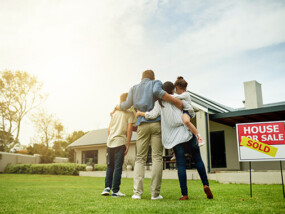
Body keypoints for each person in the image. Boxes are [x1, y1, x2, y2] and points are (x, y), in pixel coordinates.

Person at [136, 81, 213, 200]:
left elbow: (151, 115)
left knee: (181, 165)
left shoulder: (159, 103)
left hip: (175, 139)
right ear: (173, 90)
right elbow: (189, 108)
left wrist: (140, 113)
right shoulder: (177, 98)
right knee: (198, 159)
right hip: (186, 133)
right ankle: (206, 184)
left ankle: (184, 194)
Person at [115, 70, 182, 200]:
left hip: (142, 125)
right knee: (157, 157)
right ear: (153, 77)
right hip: (156, 124)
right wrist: (175, 101)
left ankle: (137, 193)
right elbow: (158, 92)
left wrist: (117, 106)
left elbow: (126, 105)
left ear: (141, 78)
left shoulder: (134, 88)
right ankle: (155, 194)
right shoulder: (156, 83)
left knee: (140, 158)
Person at [101, 93, 135, 197]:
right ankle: (115, 191)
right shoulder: (130, 113)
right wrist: (128, 144)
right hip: (120, 142)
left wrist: (111, 138)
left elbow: (108, 130)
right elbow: (129, 129)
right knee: (117, 167)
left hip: (110, 142)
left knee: (110, 166)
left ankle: (107, 188)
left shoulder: (114, 113)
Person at [174, 76, 205, 147]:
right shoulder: (182, 93)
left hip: (187, 112)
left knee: (186, 121)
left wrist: (165, 95)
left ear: (178, 88)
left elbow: (175, 97)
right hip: (184, 112)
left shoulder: (186, 94)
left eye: (176, 89)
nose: (176, 91)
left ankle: (199, 137)